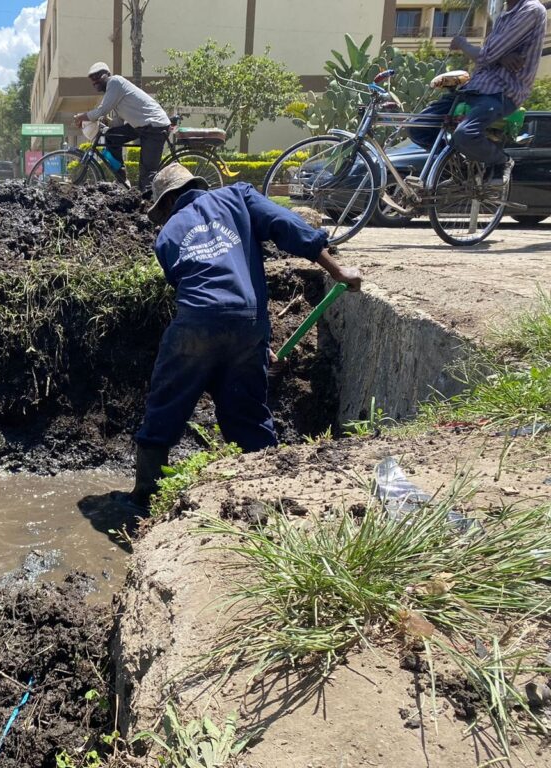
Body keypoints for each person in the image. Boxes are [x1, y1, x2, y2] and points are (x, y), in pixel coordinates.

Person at [127, 164, 362, 509]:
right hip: (247, 322)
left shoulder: (166, 236)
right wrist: (338, 269)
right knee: (247, 412)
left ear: (167, 203)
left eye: (160, 212)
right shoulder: (238, 196)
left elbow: (201, 296)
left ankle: (145, 499)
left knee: (166, 404)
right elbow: (287, 226)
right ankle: (269, 493)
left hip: (195, 324)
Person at [407, 0, 546, 178]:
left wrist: (462, 43)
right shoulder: (504, 16)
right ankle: (458, 167)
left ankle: (501, 161)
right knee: (417, 127)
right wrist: (499, 58)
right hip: (472, 88)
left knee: (465, 134)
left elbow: (487, 54)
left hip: (500, 92)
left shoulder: (531, 9)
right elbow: (490, 55)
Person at [72, 62, 171, 194]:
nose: (95, 81)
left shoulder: (115, 82)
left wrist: (81, 116)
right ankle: (122, 178)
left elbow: (102, 110)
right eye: (92, 79)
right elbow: (118, 122)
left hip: (154, 125)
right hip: (141, 125)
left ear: (107, 74)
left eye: (97, 77)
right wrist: (106, 123)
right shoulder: (113, 91)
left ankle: (148, 204)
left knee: (147, 173)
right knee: (111, 136)